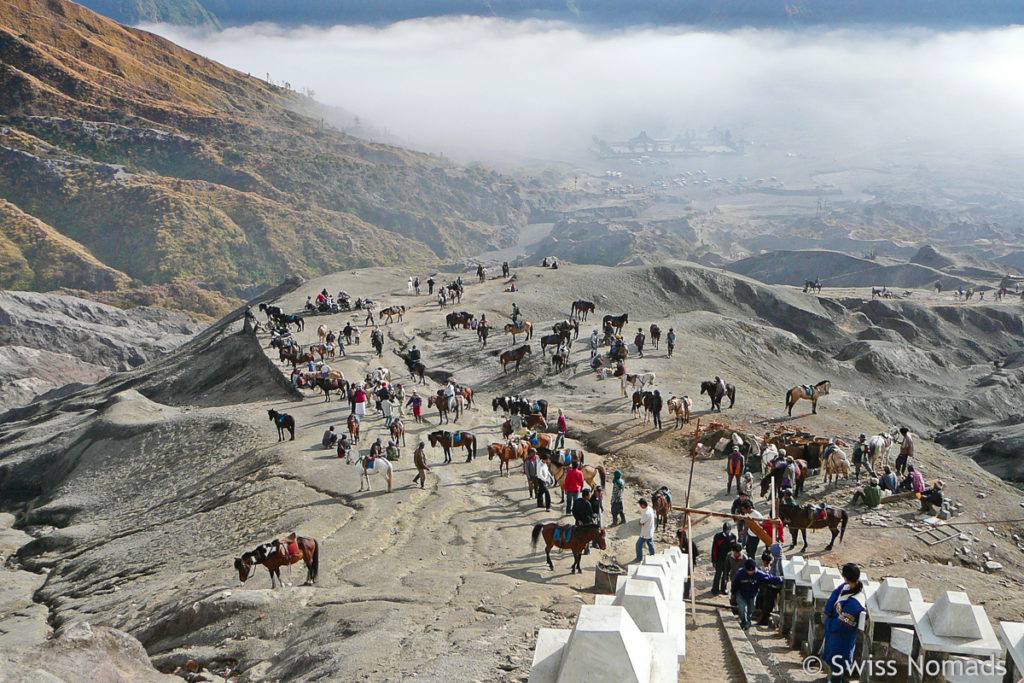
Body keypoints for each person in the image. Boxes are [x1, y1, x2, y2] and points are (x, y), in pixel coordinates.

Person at [822, 563, 866, 682]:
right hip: (834, 636)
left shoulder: (855, 602)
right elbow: (835, 594)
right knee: (833, 664)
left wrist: (828, 622)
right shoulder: (846, 587)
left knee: (838, 666)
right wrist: (827, 611)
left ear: (846, 577)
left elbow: (841, 624)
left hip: (842, 639)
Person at [731, 558, 783, 630]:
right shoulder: (740, 573)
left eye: (752, 571)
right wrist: (733, 593)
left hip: (752, 594)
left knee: (751, 609)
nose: (750, 572)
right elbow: (735, 584)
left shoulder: (759, 574)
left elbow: (769, 578)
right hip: (741, 594)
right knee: (742, 609)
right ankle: (744, 622)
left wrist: (782, 579)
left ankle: (747, 621)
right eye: (748, 571)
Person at [755, 549, 782, 626]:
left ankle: (765, 620)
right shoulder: (776, 561)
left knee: (767, 605)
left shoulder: (778, 562)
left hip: (772, 586)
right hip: (769, 586)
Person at [711, 522, 737, 595]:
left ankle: (724, 588)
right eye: (726, 530)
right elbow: (714, 549)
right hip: (719, 559)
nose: (727, 532)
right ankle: (715, 589)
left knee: (726, 576)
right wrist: (714, 561)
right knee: (718, 575)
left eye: (728, 530)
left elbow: (734, 549)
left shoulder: (733, 537)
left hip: (728, 560)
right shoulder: (718, 536)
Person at [634, 498, 655, 563]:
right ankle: (653, 556)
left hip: (645, 533)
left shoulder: (646, 513)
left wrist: (640, 522)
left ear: (643, 505)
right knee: (650, 543)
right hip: (650, 531)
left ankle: (639, 558)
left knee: (638, 545)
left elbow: (640, 523)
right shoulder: (650, 509)